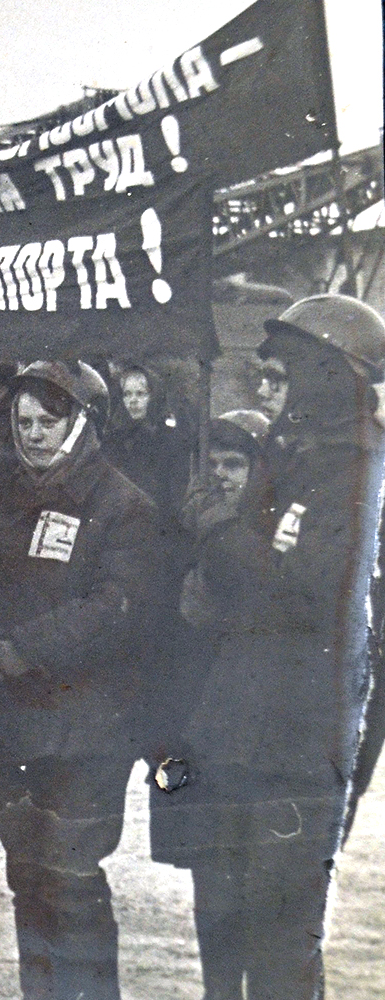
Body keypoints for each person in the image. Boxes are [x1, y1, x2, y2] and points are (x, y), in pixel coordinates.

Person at [155, 295, 385, 1000]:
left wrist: (220, 532)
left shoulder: (355, 468)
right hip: (235, 735)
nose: (266, 388)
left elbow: (305, 593)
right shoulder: (292, 456)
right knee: (222, 924)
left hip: (296, 749)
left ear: (329, 373)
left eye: (284, 372)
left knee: (282, 947)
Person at [0, 361, 156, 1000]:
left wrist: (25, 650)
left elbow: (114, 607)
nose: (34, 435)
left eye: (48, 422)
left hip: (86, 727)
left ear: (82, 424)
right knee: (27, 877)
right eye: (24, 422)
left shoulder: (123, 505)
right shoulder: (0, 494)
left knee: (71, 878)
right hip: (11, 722)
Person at [103, 361, 196, 514]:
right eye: (127, 394)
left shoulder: (171, 439)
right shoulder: (114, 439)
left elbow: (176, 494)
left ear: (154, 397)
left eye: (140, 394)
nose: (133, 400)